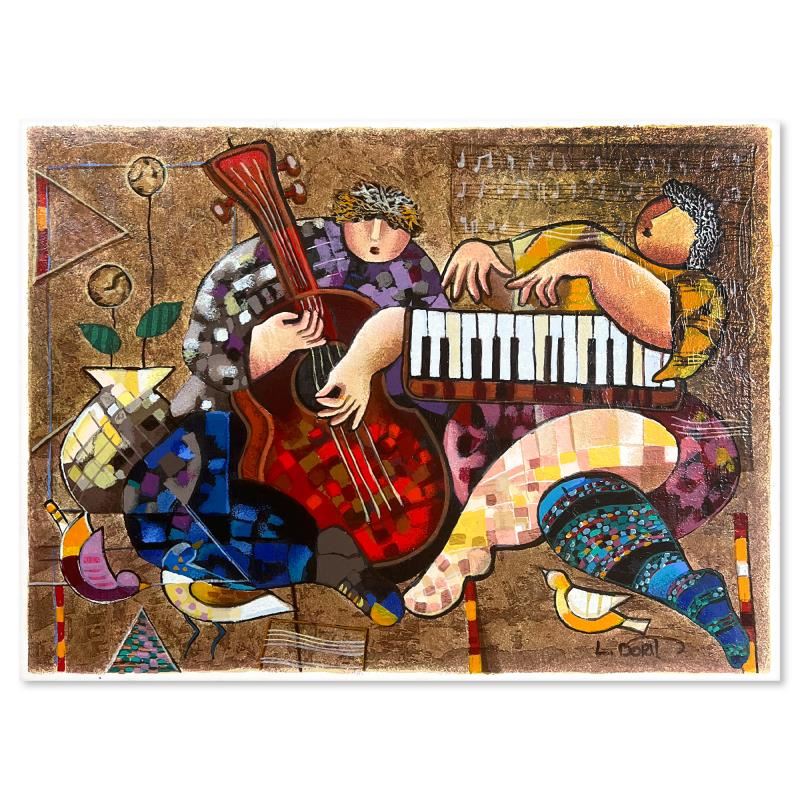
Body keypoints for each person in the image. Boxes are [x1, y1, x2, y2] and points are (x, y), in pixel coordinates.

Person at [318, 179, 741, 619]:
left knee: (572, 443)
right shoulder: (581, 238)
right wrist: (358, 365)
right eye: (662, 205)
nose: (656, 215)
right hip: (522, 447)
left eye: (675, 213)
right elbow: (428, 316)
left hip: (662, 439)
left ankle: (466, 547)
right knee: (569, 499)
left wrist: (591, 263)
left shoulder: (696, 290)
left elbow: (665, 329)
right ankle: (686, 590)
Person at [124, 181, 450, 635]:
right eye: (363, 220)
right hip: (250, 423)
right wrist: (259, 348)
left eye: (394, 224)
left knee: (438, 507)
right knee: (152, 507)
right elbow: (202, 348)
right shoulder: (263, 258)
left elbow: (437, 353)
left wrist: (367, 363)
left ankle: (307, 558)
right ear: (343, 216)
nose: (377, 235)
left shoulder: (415, 270)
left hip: (377, 434)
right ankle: (322, 565)